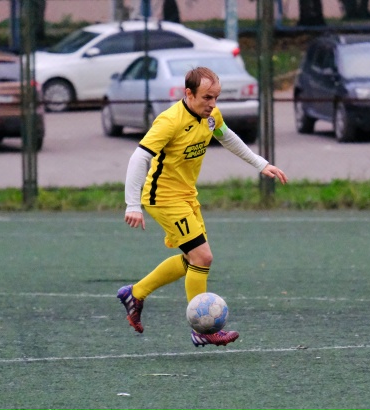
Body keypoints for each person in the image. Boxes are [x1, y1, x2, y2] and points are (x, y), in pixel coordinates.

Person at [117, 67, 287, 347]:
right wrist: (132, 204)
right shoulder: (170, 121)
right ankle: (203, 330)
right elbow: (139, 158)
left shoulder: (211, 116)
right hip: (164, 198)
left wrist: (261, 163)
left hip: (187, 196)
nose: (212, 104)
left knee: (192, 260)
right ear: (189, 93)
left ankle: (135, 293)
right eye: (207, 97)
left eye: (216, 97)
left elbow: (227, 137)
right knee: (202, 257)